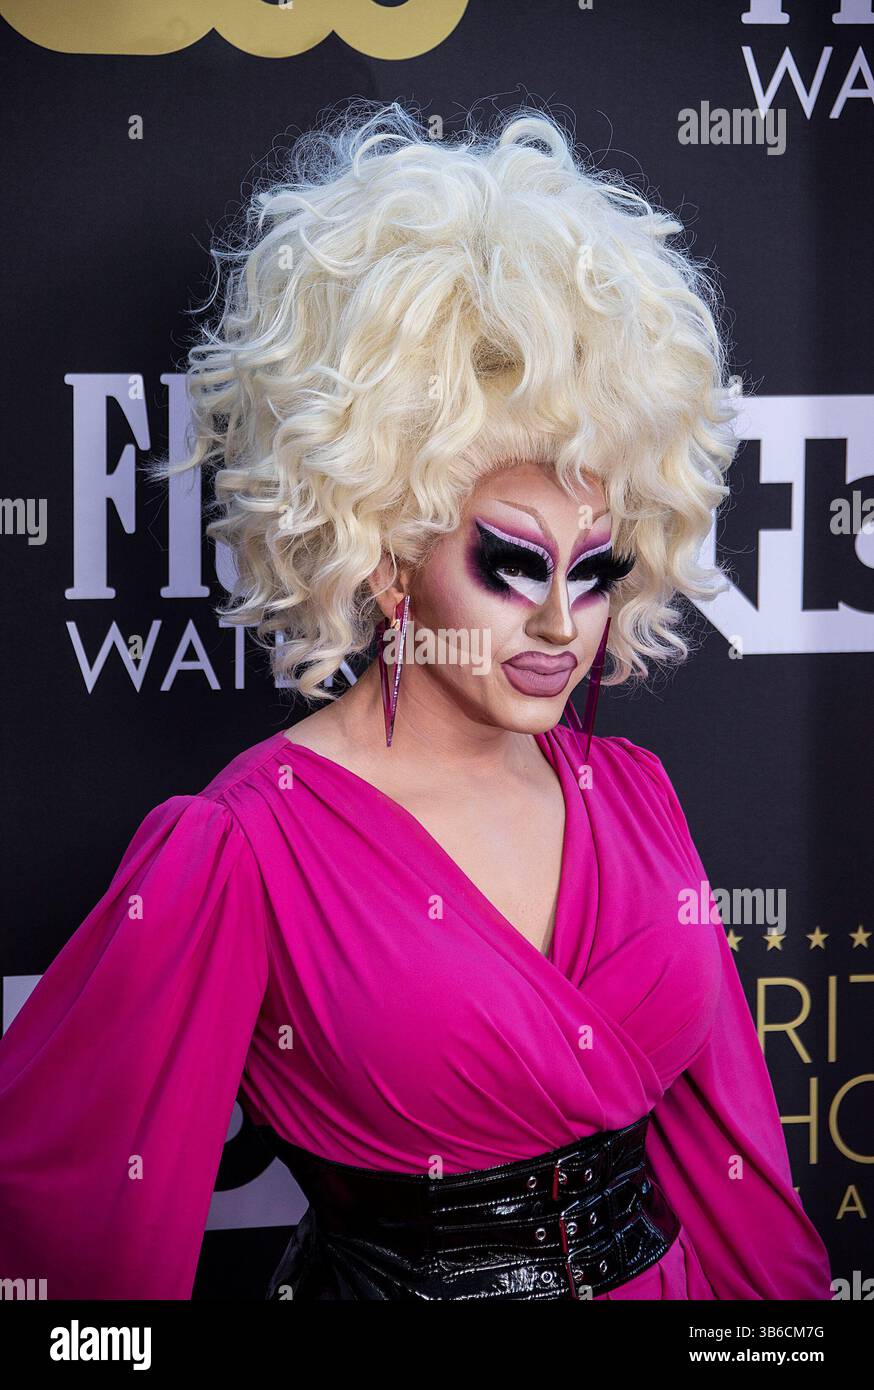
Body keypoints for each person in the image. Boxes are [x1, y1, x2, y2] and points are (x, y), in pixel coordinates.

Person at [0, 101, 832, 1300]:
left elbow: (732, 1173)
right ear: (387, 557)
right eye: (509, 563)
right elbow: (66, 1244)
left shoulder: (635, 801)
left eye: (594, 568)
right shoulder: (242, 850)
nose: (562, 624)